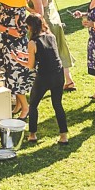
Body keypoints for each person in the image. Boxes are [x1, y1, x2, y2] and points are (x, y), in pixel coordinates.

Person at [18, 14, 68, 146]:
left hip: (44, 76)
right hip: (58, 74)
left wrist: (17, 59)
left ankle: (32, 135)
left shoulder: (32, 42)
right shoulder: (51, 36)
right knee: (57, 104)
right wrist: (24, 55)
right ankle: (64, 136)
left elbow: (30, 65)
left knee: (33, 105)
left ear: (31, 27)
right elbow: (43, 54)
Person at [24, 0, 75, 92]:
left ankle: (57, 81)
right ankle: (69, 80)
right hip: (56, 21)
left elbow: (39, 14)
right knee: (61, 50)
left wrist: (26, 6)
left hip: (47, 25)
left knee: (52, 53)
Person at [0, 1, 33, 119]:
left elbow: (21, 33)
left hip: (15, 46)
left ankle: (26, 107)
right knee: (5, 74)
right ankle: (19, 105)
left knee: (15, 76)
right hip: (3, 44)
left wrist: (2, 28)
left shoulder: (18, 9)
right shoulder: (2, 6)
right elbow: (0, 22)